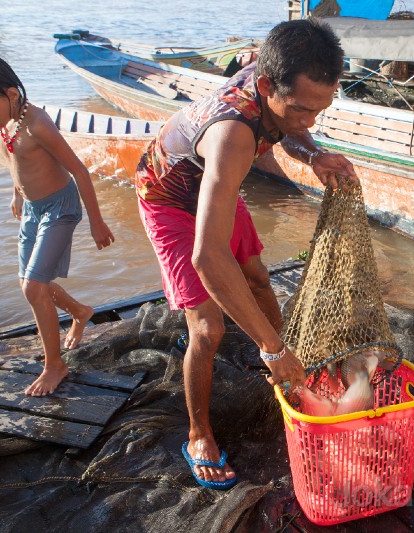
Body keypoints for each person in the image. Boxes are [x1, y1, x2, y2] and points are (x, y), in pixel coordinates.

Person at [134, 18, 357, 490]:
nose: (309, 122)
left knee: (256, 274)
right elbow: (207, 258)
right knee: (209, 330)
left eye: (320, 111)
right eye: (300, 110)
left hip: (215, 183)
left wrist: (313, 155)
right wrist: (270, 348)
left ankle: (288, 368)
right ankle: (199, 434)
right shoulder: (234, 135)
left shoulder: (277, 72)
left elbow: (288, 126)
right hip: (169, 199)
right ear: (264, 84)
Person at [0, 50, 115, 396]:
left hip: (60, 207)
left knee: (33, 287)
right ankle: (79, 311)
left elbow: (79, 170)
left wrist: (96, 222)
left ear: (11, 94)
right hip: (32, 207)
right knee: (28, 281)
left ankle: (55, 365)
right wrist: (16, 194)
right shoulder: (6, 123)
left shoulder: (38, 123)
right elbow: (13, 161)